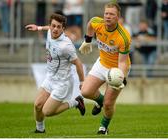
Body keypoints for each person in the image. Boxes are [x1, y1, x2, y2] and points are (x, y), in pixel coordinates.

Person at [25, 13, 85, 133]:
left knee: (46, 111)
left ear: (63, 29)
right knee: (37, 105)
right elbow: (48, 28)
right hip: (50, 78)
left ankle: (75, 102)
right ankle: (40, 130)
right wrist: (38, 28)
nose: (55, 29)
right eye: (53, 26)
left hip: (62, 83)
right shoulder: (50, 31)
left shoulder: (66, 46)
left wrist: (82, 81)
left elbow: (78, 64)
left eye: (59, 27)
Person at [79, 2, 131, 134]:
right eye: (106, 13)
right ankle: (100, 101)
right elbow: (90, 23)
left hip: (116, 69)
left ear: (118, 17)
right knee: (85, 91)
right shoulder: (98, 22)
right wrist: (88, 40)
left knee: (109, 104)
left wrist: (122, 78)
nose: (108, 16)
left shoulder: (123, 37)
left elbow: (123, 62)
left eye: (112, 14)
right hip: (101, 63)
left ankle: (103, 127)